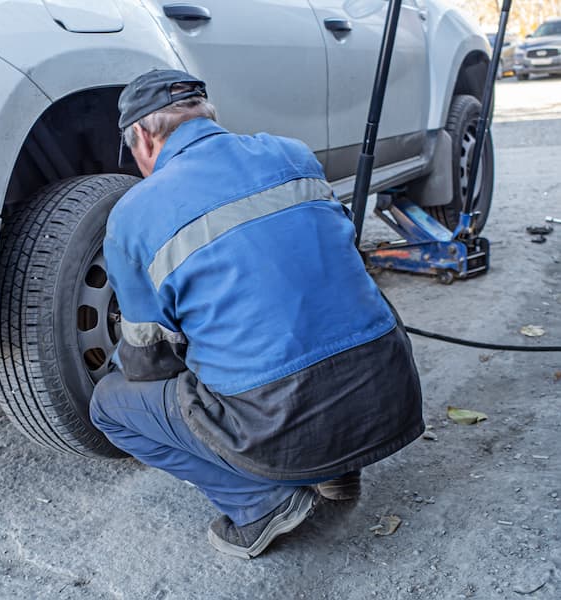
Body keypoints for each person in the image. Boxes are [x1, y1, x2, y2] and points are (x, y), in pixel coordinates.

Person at [90, 69, 424, 559]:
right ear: (207, 115)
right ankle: (336, 469)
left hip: (279, 420)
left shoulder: (134, 213)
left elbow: (149, 361)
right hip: (391, 391)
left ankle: (260, 502)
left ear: (142, 136)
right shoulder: (294, 153)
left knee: (110, 405)